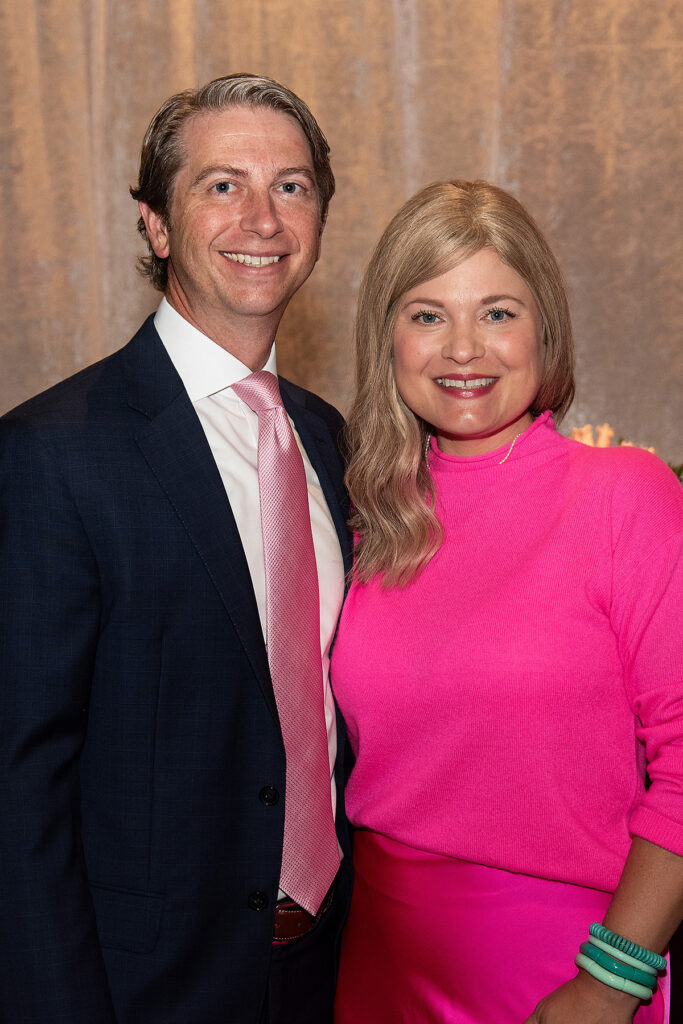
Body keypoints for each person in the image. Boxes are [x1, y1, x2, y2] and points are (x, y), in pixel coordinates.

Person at [0, 74, 352, 1024]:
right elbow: (19, 784)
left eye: (291, 186)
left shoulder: (331, 440)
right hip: (140, 983)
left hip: (327, 965)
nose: (263, 218)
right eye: (221, 184)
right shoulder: (52, 451)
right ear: (156, 223)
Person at [330, 179, 683, 1023]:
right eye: (426, 314)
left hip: (570, 967)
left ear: (543, 329)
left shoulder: (620, 494)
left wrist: (612, 978)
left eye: (496, 312)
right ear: (386, 336)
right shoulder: (364, 516)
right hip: (376, 957)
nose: (462, 349)